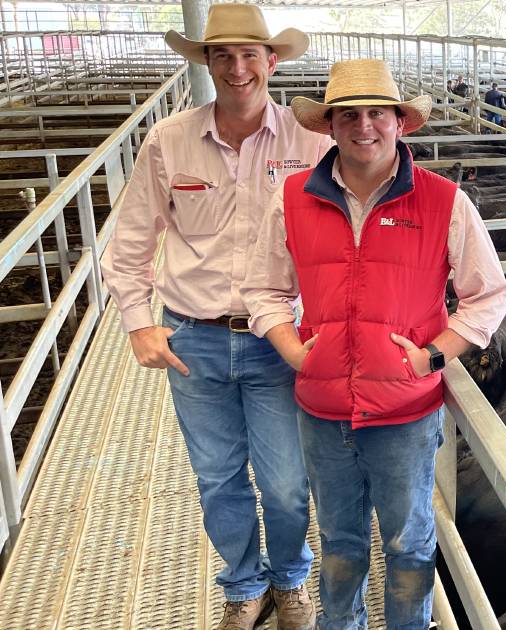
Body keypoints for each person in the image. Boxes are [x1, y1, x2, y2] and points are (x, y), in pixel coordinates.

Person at [241, 59, 506, 629]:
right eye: (349, 115)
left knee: (410, 547)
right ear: (330, 126)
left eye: (377, 113)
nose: (365, 125)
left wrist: (432, 355)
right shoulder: (291, 198)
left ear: (400, 123)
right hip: (323, 411)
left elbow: (488, 295)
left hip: (406, 413)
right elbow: (263, 287)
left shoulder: (445, 201)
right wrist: (292, 349)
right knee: (340, 545)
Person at [100, 4, 331, 629]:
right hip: (192, 339)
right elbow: (128, 248)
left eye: (249, 55)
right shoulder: (169, 140)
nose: (237, 69)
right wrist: (137, 322)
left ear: (272, 62)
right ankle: (243, 584)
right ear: (205, 63)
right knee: (218, 478)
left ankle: (289, 578)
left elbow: (355, 227)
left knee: (285, 480)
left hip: (278, 339)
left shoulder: (313, 143)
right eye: (222, 56)